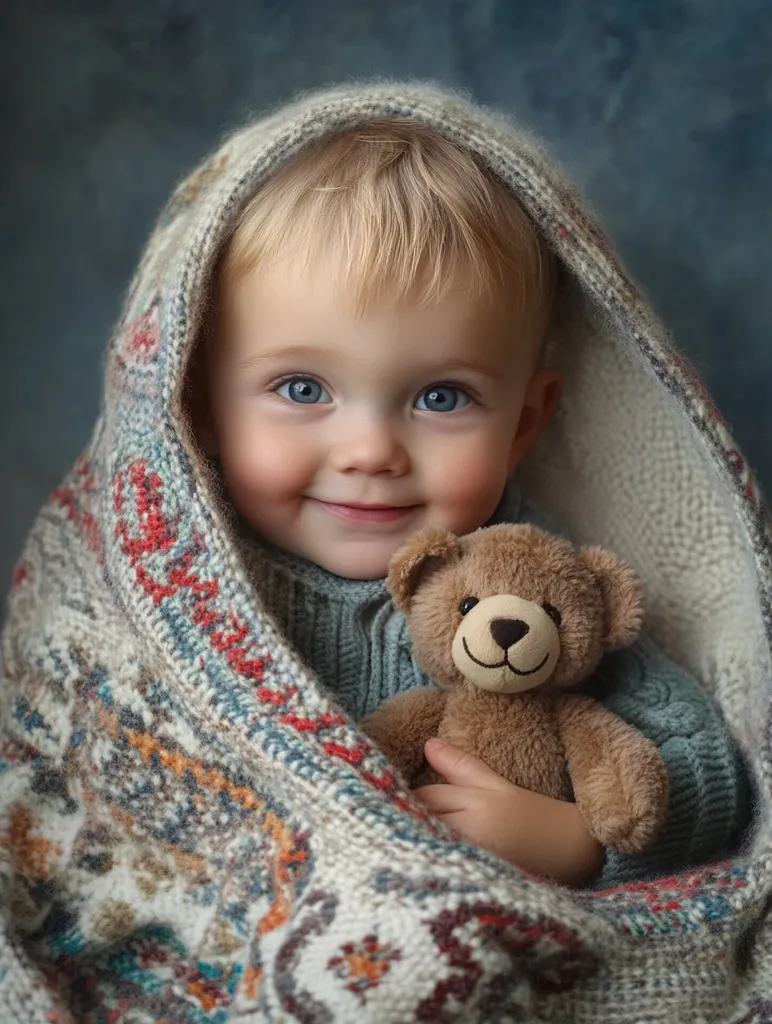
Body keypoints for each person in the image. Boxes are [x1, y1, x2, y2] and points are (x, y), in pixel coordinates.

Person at [1, 82, 765, 1021]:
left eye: (441, 397)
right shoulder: (169, 593)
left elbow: (708, 771)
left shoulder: (529, 589)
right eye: (301, 386)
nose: (370, 450)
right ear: (195, 402)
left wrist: (572, 841)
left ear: (525, 424)